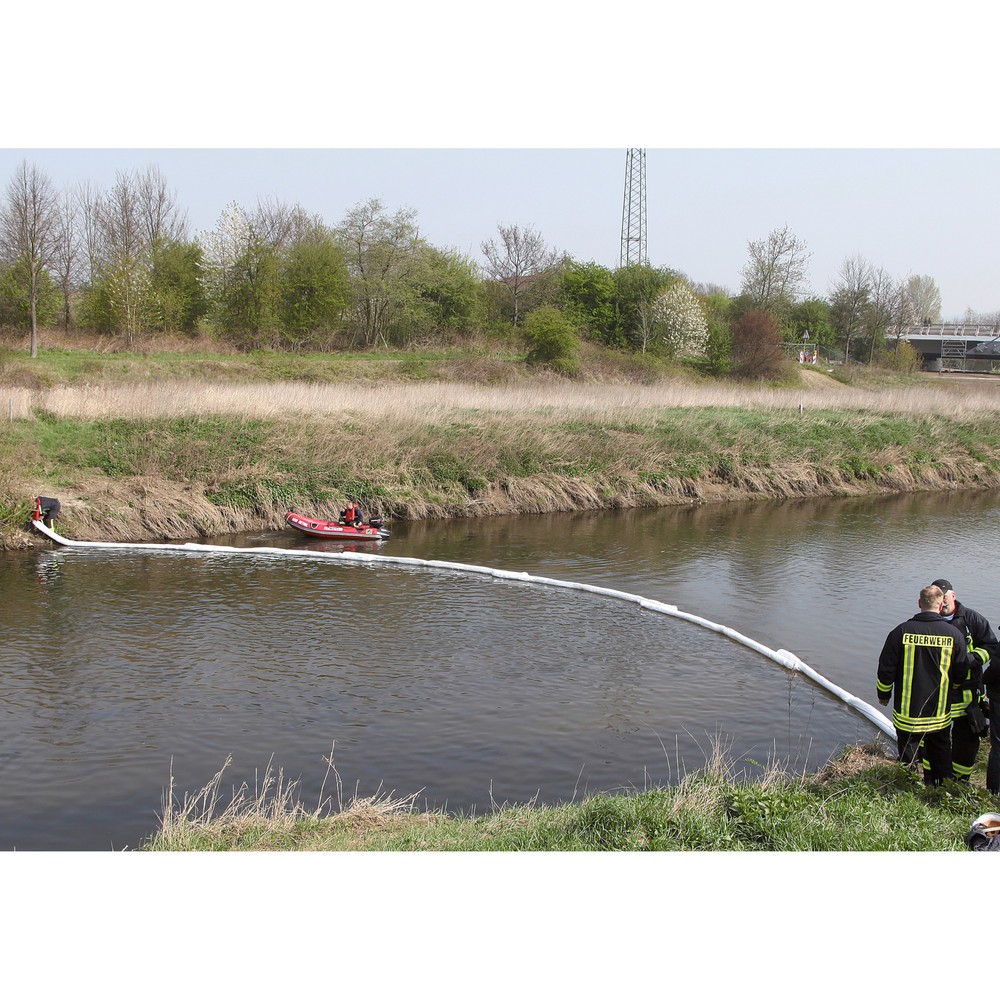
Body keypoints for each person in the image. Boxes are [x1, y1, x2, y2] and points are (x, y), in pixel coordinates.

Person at [877, 583, 978, 785]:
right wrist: (956, 687)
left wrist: (884, 695)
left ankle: (908, 790)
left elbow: (886, 668)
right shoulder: (954, 635)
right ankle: (942, 791)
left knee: (908, 758)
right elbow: (961, 669)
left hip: (907, 715)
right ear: (940, 605)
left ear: (919, 603)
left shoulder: (901, 632)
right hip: (939, 715)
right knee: (941, 756)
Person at [931, 578, 998, 783]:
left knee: (966, 743)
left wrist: (973, 659)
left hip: (968, 696)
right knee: (934, 741)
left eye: (945, 597)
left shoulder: (972, 619)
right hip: (939, 695)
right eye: (938, 599)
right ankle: (934, 780)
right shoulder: (929, 621)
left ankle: (960, 783)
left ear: (953, 595)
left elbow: (992, 646)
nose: (943, 603)